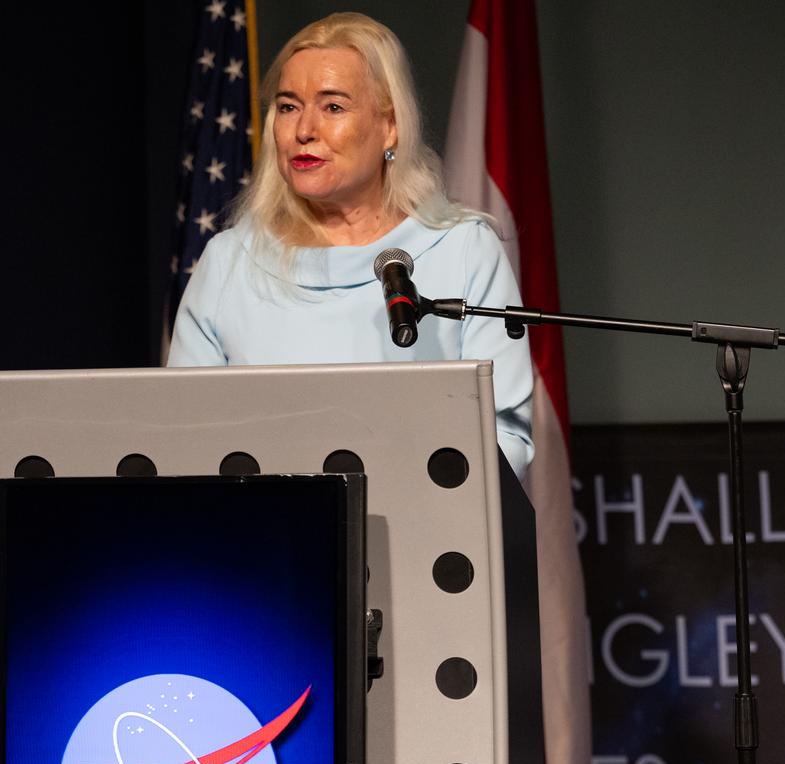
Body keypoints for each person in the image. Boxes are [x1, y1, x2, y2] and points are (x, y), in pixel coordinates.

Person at [167, 12, 534, 475]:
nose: (304, 130)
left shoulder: (462, 252)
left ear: (390, 126)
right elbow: (183, 439)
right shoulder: (229, 263)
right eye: (287, 106)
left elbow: (506, 438)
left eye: (333, 107)